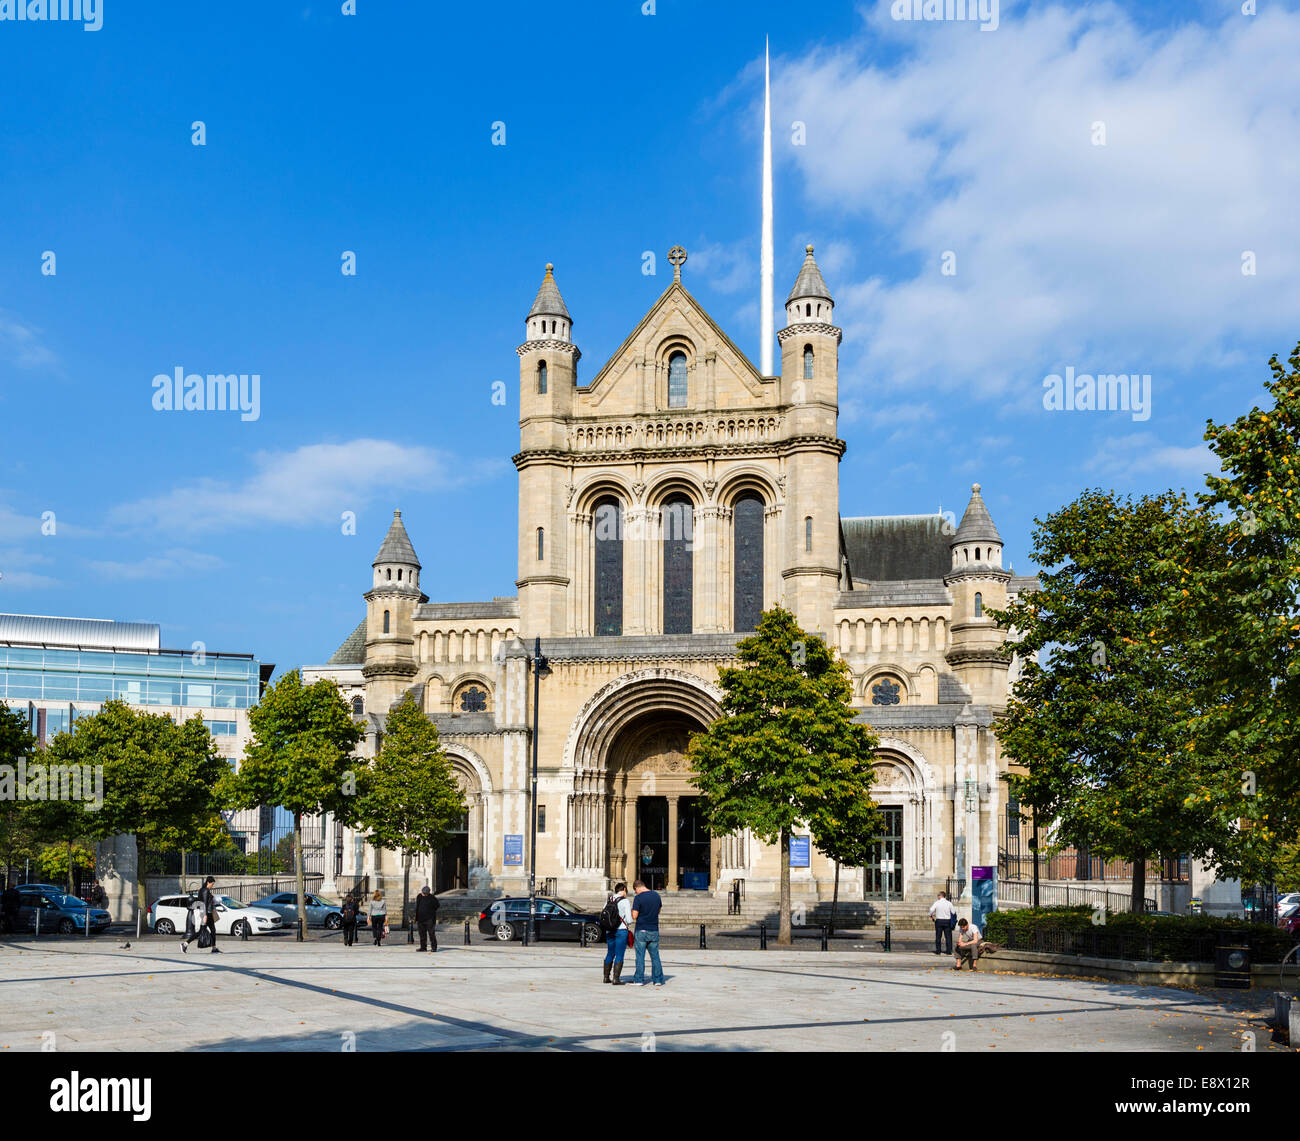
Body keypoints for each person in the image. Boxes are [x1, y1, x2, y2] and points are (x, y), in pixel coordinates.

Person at [627, 878, 665, 987]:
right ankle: (657, 980)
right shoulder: (656, 895)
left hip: (642, 929)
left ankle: (639, 979)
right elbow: (658, 911)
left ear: (637, 888)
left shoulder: (638, 898)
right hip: (654, 929)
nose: (636, 892)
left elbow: (634, 916)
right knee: (655, 956)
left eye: (635, 890)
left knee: (640, 956)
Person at [600, 882, 633, 985]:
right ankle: (616, 979)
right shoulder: (625, 901)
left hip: (609, 930)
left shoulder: (609, 900)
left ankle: (606, 977)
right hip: (621, 930)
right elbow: (629, 919)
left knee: (610, 953)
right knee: (619, 954)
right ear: (623, 890)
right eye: (626, 891)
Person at [181, 876, 219, 954]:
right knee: (201, 931)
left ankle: (214, 948)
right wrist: (204, 915)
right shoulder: (205, 891)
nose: (212, 885)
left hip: (208, 913)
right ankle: (185, 944)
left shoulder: (204, 890)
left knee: (212, 930)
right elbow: (204, 903)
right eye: (212, 884)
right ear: (208, 882)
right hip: (206, 914)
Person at [928, 891, 957, 956]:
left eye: (938, 895)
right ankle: (948, 951)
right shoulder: (949, 903)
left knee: (938, 936)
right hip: (947, 921)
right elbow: (953, 912)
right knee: (948, 937)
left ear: (940, 896)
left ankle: (938, 951)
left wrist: (931, 915)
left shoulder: (937, 903)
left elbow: (931, 910)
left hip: (939, 921)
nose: (938, 897)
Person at [413, 886, 439, 952]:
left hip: (430, 919)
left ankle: (434, 947)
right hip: (420, 918)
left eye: (424, 893)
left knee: (431, 933)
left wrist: (431, 912)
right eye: (422, 892)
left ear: (428, 893)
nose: (423, 894)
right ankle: (423, 947)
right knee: (422, 934)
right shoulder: (419, 896)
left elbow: (437, 906)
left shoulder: (432, 898)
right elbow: (417, 906)